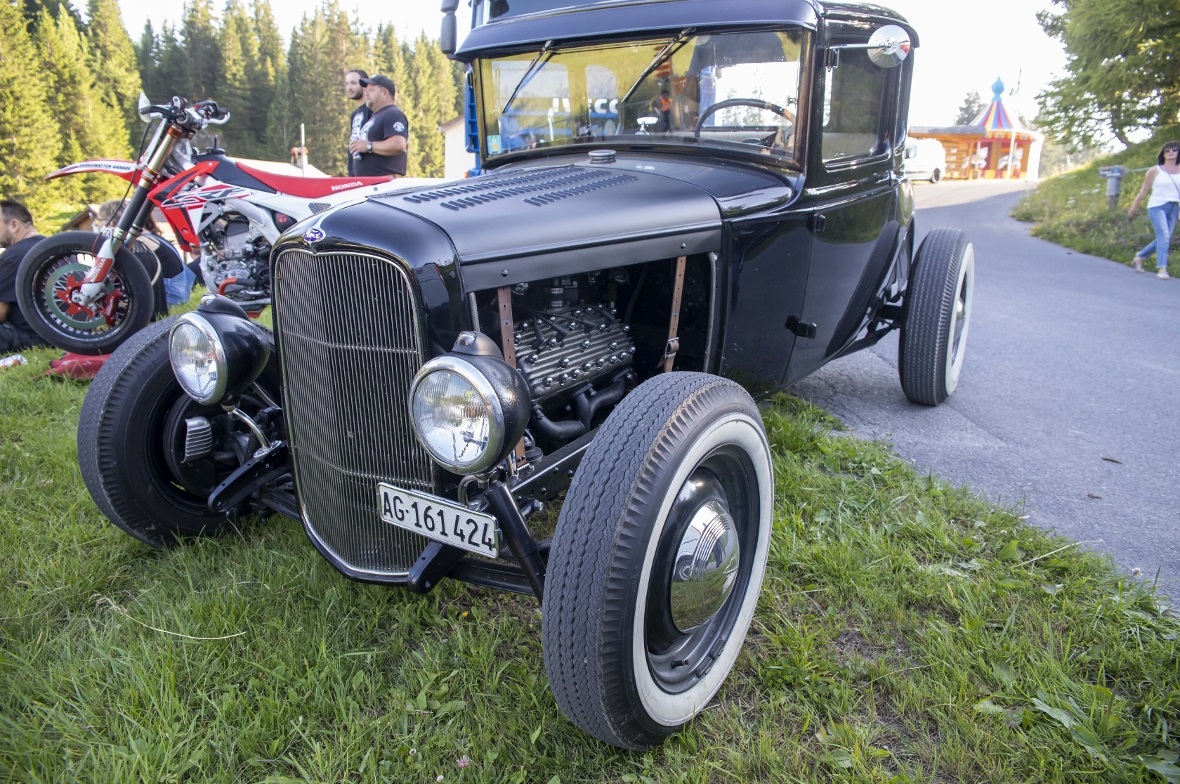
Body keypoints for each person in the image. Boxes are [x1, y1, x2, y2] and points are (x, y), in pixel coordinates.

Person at [0, 200, 50, 352]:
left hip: (34, 338)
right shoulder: (57, 248)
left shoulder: (13, 256)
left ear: (14, 225)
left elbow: (1, 312)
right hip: (66, 335)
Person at [1128, 140, 1180, 279]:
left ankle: (1139, 257)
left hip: (1174, 207)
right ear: (1163, 153)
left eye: (1174, 149)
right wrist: (1133, 207)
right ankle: (1162, 268)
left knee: (1165, 237)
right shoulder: (1155, 170)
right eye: (1167, 150)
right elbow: (1143, 191)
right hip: (1157, 206)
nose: (1170, 152)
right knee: (1164, 234)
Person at [348, 74, 409, 178]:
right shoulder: (377, 116)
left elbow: (398, 144)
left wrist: (368, 146)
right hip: (372, 183)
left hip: (385, 183)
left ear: (384, 93)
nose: (366, 93)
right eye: (366, 90)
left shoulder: (393, 114)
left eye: (371, 90)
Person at [344, 68, 372, 177]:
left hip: (371, 175)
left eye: (353, 83)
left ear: (364, 85)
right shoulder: (354, 115)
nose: (349, 87)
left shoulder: (373, 110)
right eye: (347, 83)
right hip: (355, 174)